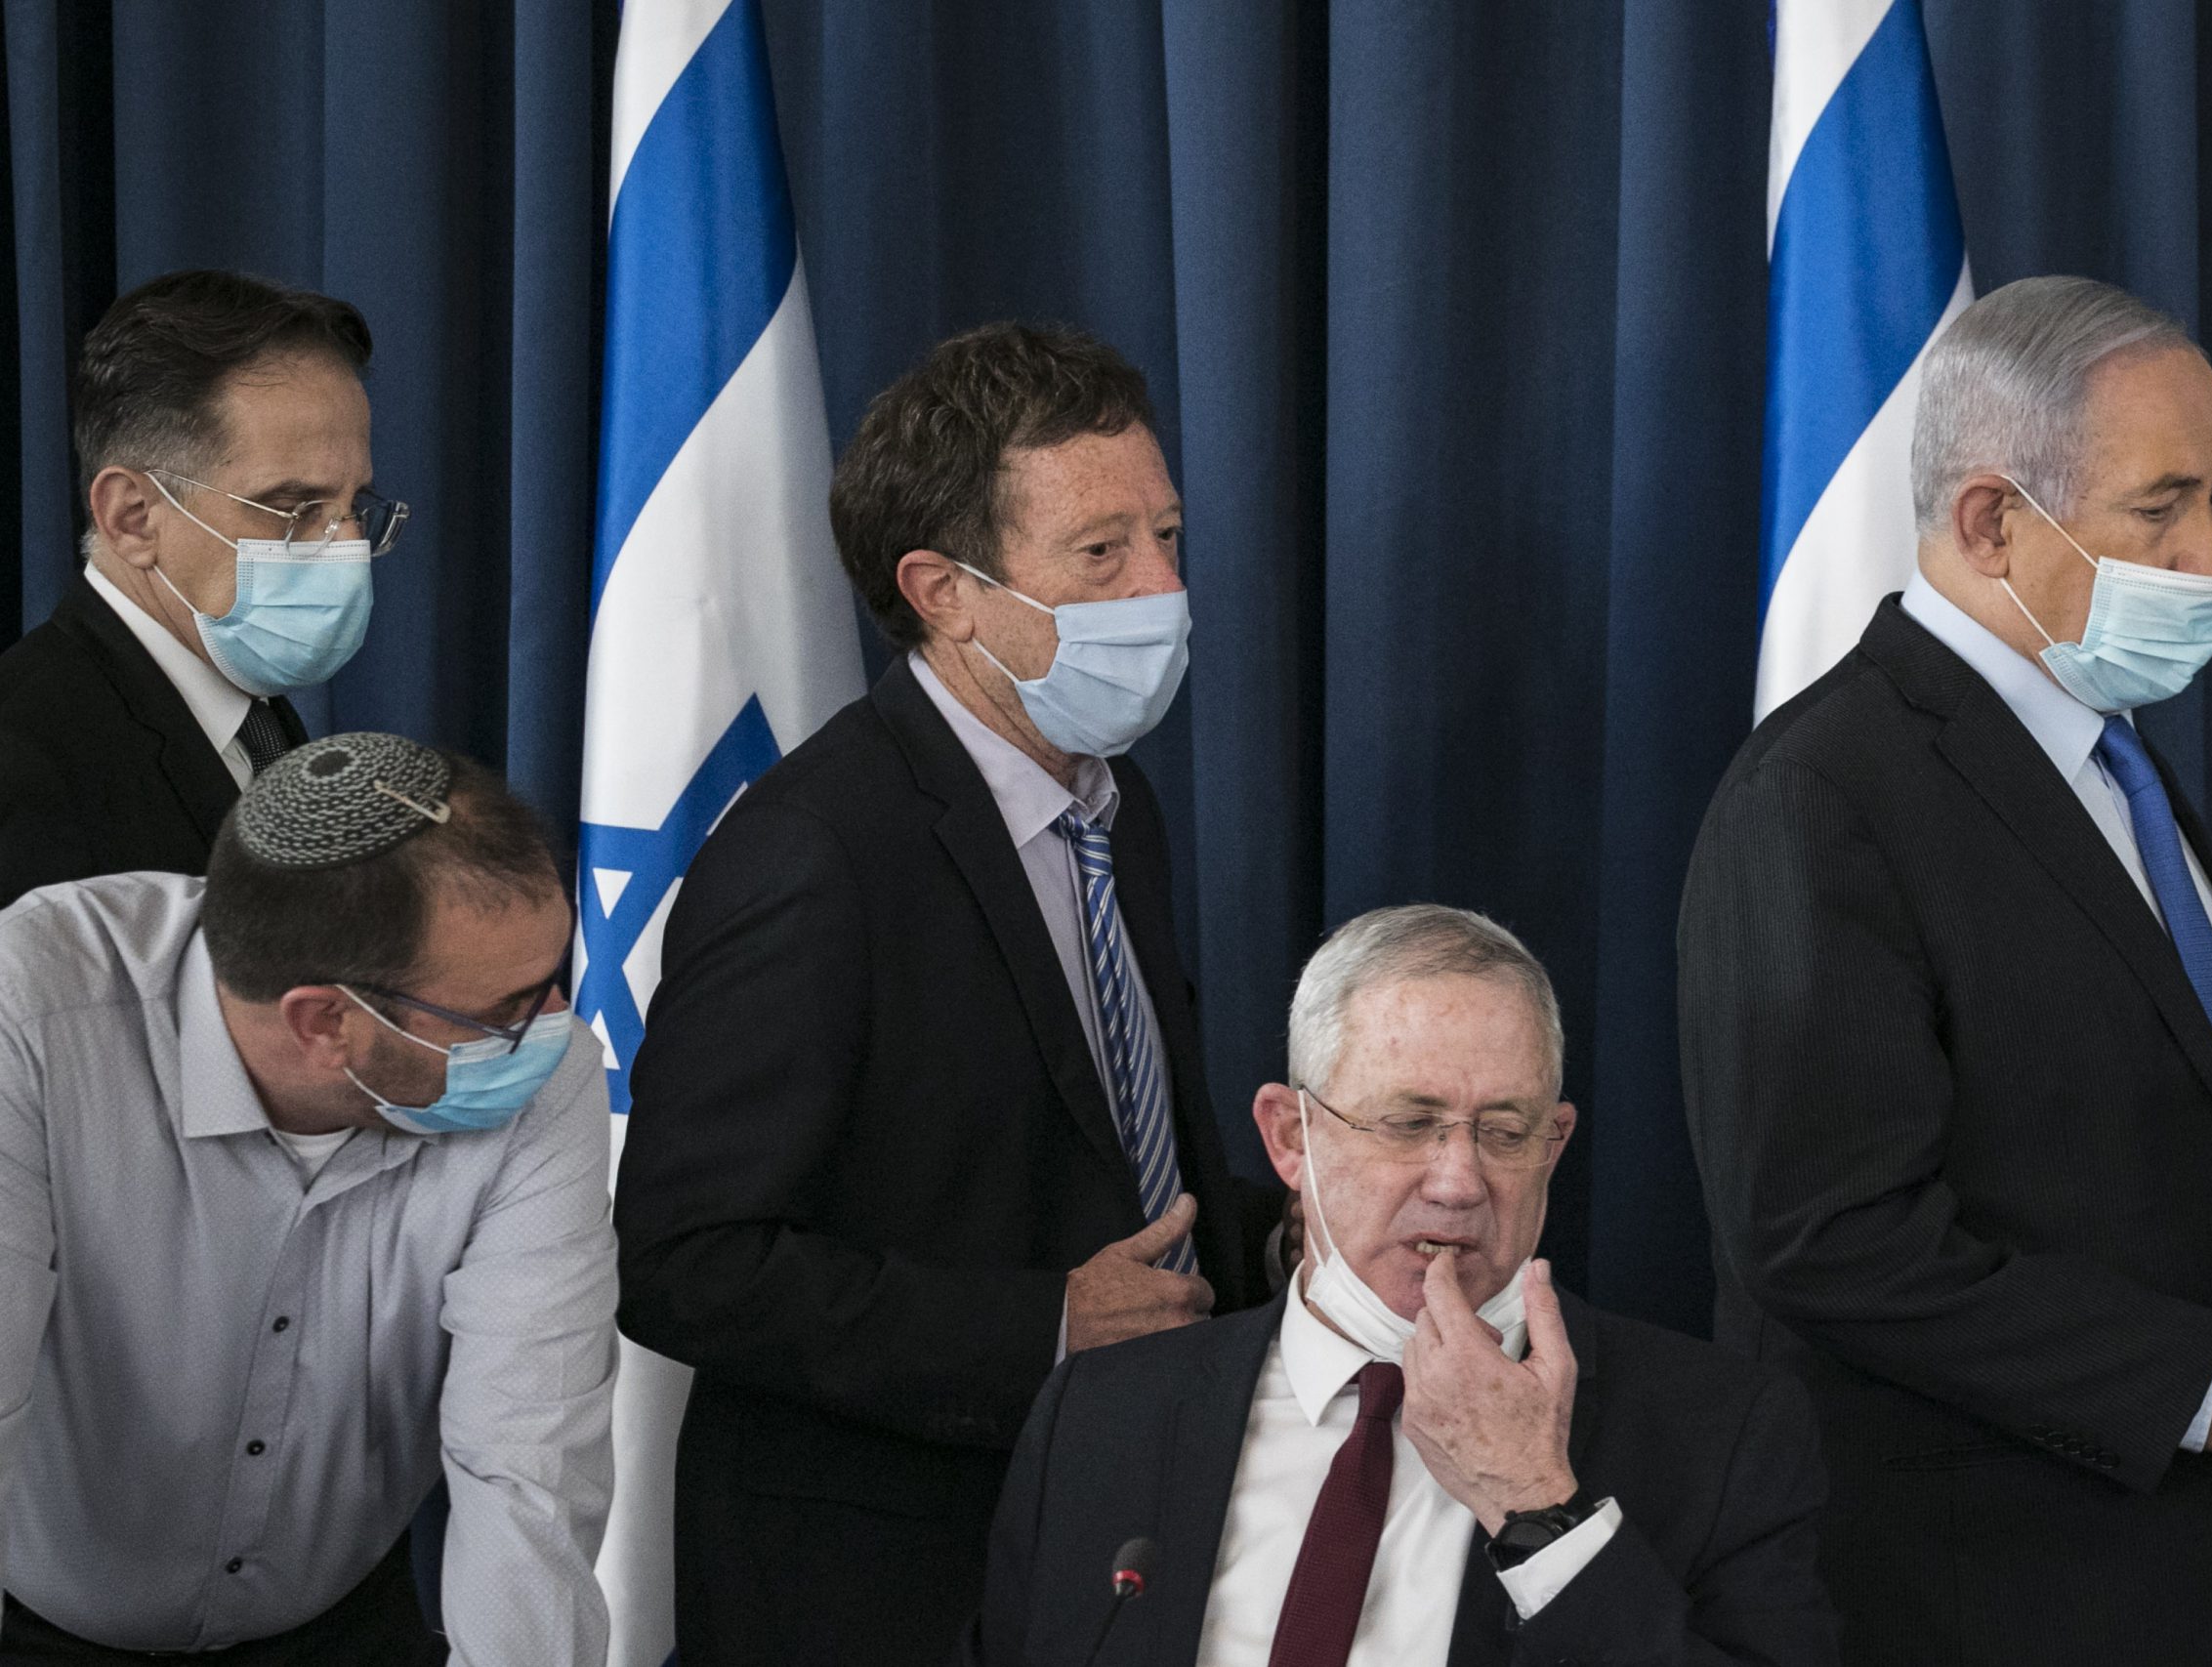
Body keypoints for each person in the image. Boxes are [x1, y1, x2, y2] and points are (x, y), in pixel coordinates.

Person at [1678, 275, 2212, 1667]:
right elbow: (1823, 1238)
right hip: (2003, 1596)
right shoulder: (1821, 796)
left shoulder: (2111, 754)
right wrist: (2193, 1375)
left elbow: (2138, 1138)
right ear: (1990, 521)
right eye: (2162, 508)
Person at [614, 322, 1267, 1665]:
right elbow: (685, 1265)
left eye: (1166, 536)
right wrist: (1044, 1328)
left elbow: (1105, 1156)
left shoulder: (1115, 809)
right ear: (943, 591)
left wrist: (1282, 1238)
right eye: (1102, 553)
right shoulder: (813, 850)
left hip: (1103, 1540)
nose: (1163, 587)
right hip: (873, 1584)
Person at [965, 903, 1838, 1667]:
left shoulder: (1723, 1434)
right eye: (1410, 1123)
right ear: (1290, 1137)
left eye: (1504, 1131)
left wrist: (1538, 1507)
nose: (1458, 1182)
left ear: (1555, 1145)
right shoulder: (1100, 1415)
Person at [0, 732, 615, 1664]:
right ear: (326, 1020)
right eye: (506, 1009)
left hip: (335, 1624)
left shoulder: (548, 1074)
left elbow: (530, 1470)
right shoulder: (30, 1013)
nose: (554, 1026)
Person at [0, 269, 407, 910]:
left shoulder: (259, 719)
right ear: (133, 518)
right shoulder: (21, 765)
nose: (348, 545)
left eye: (353, 505)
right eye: (293, 508)